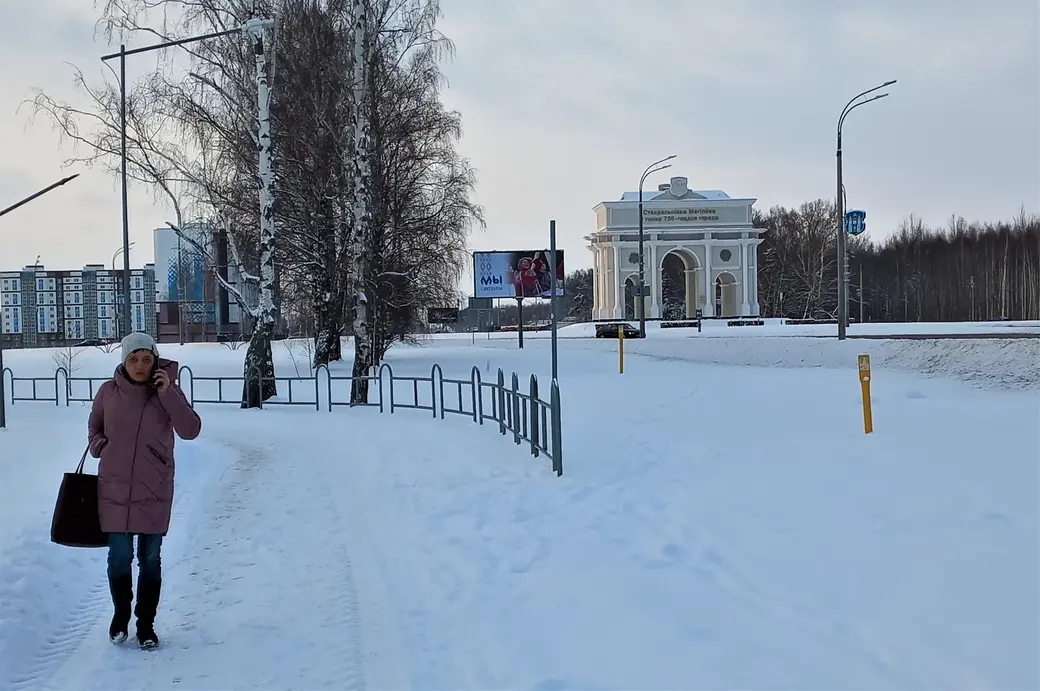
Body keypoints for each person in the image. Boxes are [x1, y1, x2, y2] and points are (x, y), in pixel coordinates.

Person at [87, 332, 202, 649]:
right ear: (123, 361)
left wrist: (168, 394)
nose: (140, 366)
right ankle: (120, 616)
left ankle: (146, 625)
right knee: (119, 558)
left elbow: (191, 430)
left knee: (150, 560)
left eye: (147, 359)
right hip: (114, 489)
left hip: (154, 489)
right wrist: (100, 446)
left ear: (155, 361)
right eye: (133, 359)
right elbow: (94, 426)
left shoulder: (167, 391)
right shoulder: (108, 392)